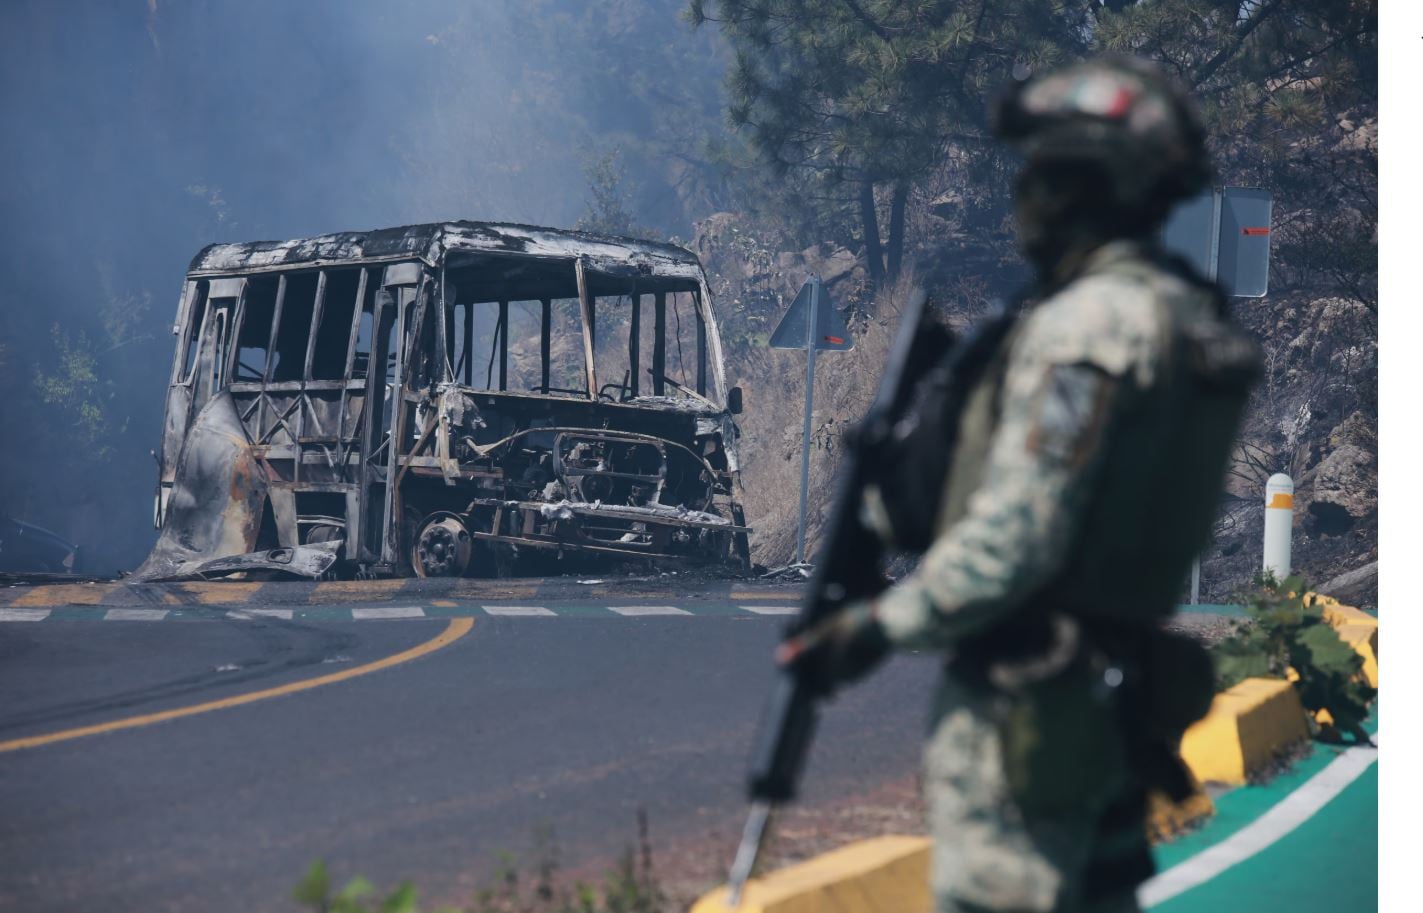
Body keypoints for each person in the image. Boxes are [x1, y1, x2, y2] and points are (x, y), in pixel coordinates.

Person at [778, 56, 1261, 913]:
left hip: (1030, 711)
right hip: (1118, 699)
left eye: (1040, 174)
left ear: (1084, 186)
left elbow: (1019, 535)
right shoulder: (1189, 317)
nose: (1022, 198)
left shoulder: (1088, 330)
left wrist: (873, 627)